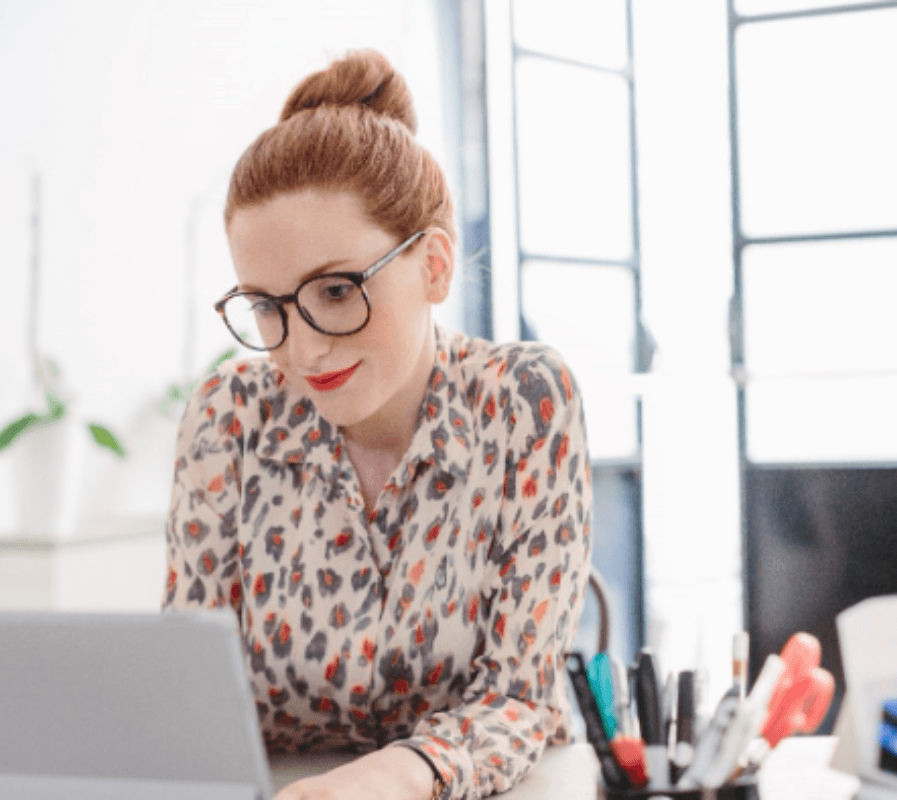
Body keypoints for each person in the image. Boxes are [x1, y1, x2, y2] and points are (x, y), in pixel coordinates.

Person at [162, 49, 593, 800]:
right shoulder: (229, 415)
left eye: (336, 290)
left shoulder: (526, 402)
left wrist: (394, 776)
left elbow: (520, 694)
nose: (302, 348)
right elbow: (190, 689)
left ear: (433, 266)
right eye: (267, 307)